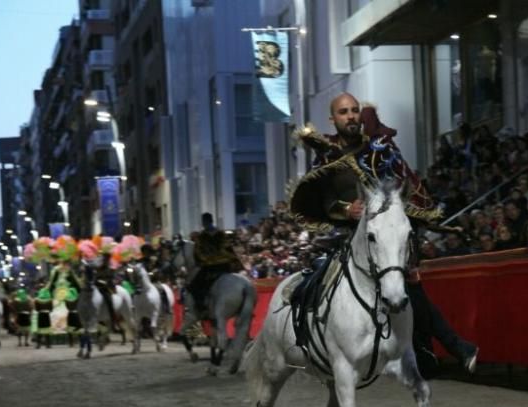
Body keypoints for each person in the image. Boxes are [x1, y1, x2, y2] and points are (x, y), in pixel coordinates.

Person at [288, 93, 478, 375]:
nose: (351, 116)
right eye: (343, 112)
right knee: (316, 282)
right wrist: (346, 208)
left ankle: (452, 348)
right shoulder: (327, 157)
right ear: (333, 119)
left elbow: (407, 184)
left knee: (411, 290)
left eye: (354, 110)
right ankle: (306, 339)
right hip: (351, 238)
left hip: (389, 235)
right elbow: (324, 201)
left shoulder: (382, 148)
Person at [189, 212, 243, 317]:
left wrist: (204, 261)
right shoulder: (221, 233)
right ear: (212, 220)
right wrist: (233, 261)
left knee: (194, 286)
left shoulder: (201, 237)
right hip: (225, 265)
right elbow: (229, 249)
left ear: (204, 222)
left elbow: (198, 253)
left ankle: (201, 308)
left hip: (210, 267)